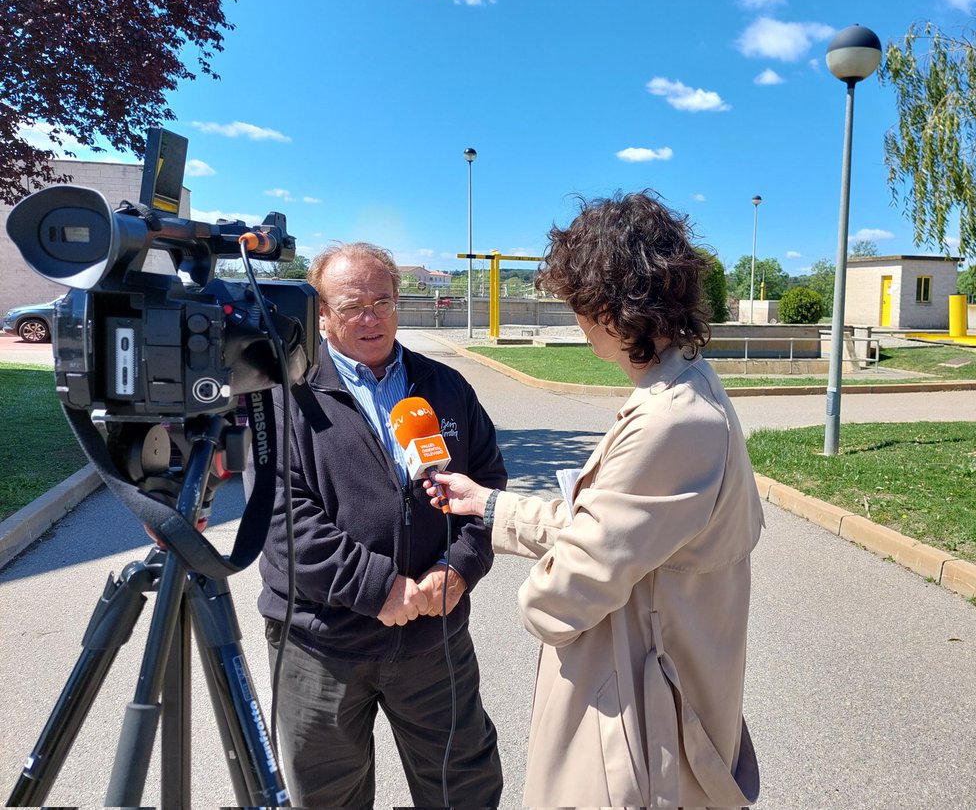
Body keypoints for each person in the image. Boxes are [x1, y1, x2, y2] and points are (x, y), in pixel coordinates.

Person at [426, 191, 764, 808]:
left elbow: (563, 596)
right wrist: (488, 505)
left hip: (635, 717)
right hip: (648, 689)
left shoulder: (670, 421)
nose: (575, 320)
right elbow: (607, 523)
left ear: (609, 308)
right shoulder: (687, 384)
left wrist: (528, 591)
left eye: (577, 304)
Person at [250, 241, 506, 808]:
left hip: (433, 635)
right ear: (321, 314)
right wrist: (378, 589)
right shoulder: (279, 393)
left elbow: (487, 484)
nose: (371, 318)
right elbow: (281, 516)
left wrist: (458, 569)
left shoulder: (444, 387)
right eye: (351, 305)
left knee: (465, 786)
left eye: (383, 301)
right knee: (326, 797)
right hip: (321, 644)